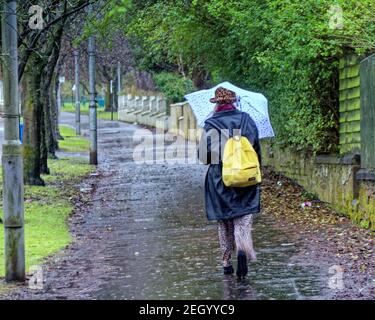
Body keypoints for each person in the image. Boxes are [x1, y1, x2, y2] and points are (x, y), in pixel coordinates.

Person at [198, 87, 261, 278]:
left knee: (224, 221)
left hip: (220, 179)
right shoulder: (246, 119)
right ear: (234, 101)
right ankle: (242, 247)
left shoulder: (210, 124)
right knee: (242, 218)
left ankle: (226, 261)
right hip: (245, 177)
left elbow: (204, 157)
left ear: (216, 103)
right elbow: (255, 149)